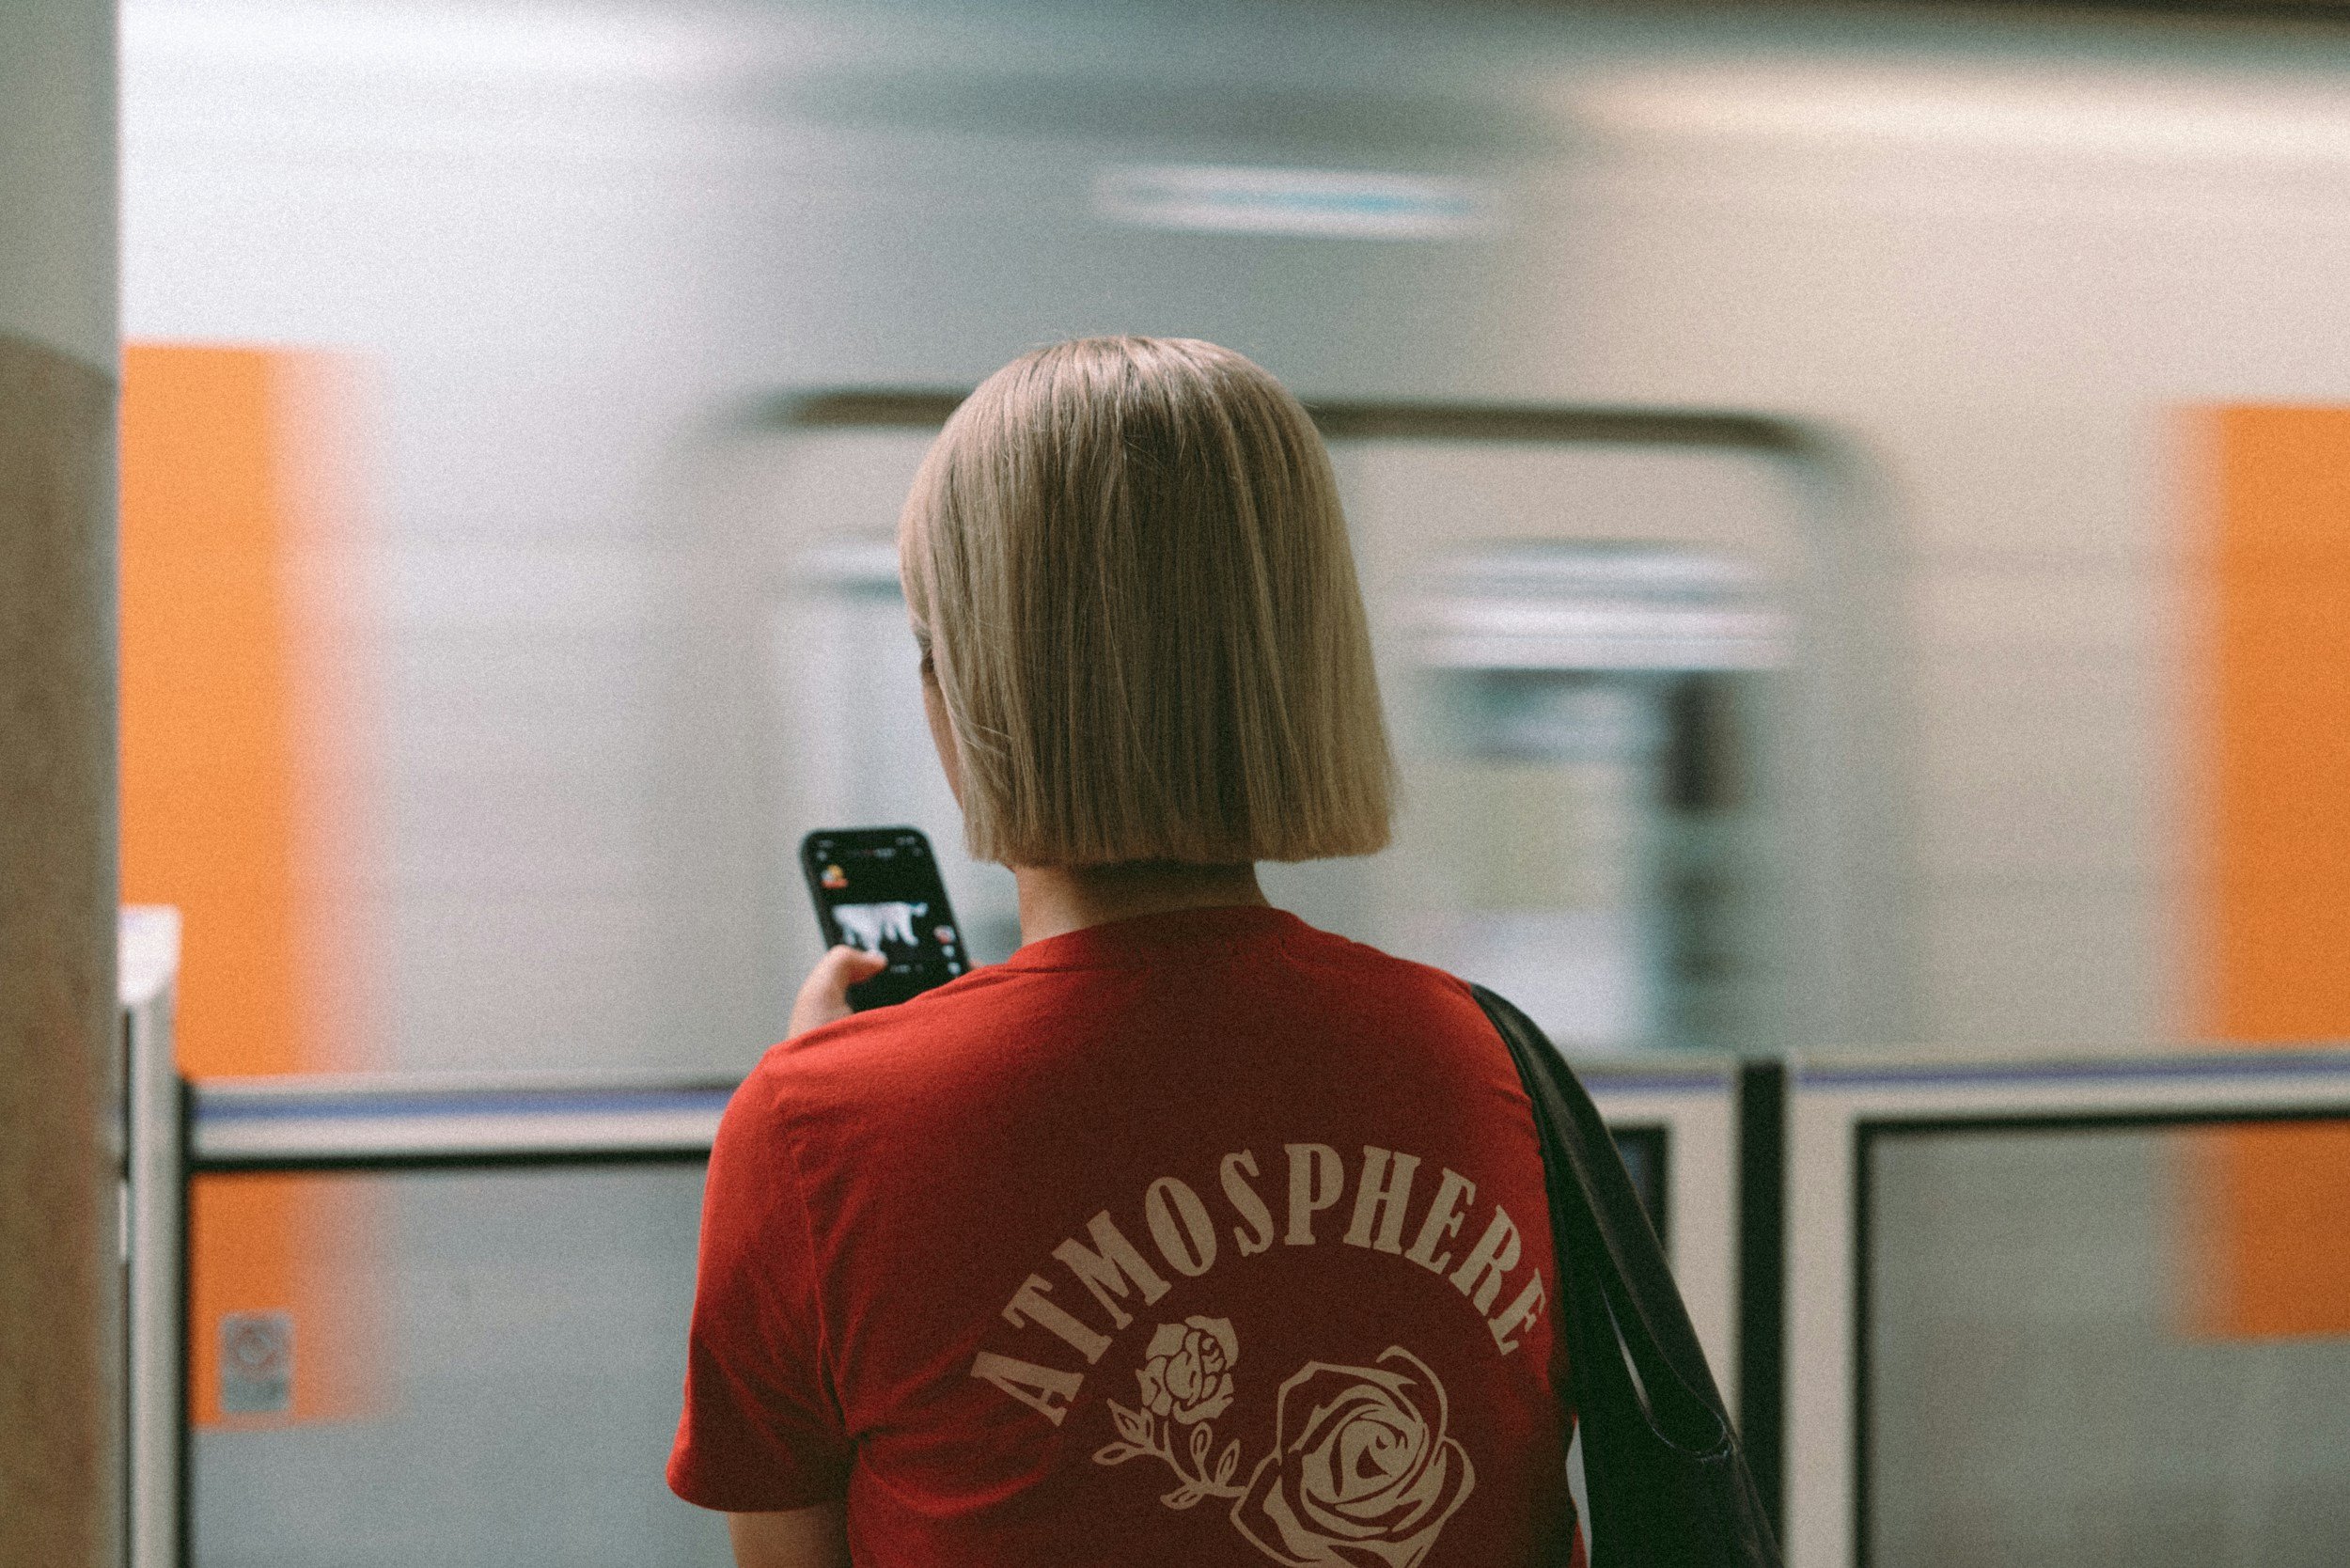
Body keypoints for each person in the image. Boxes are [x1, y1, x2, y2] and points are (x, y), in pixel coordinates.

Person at [667, 337, 1574, 1567]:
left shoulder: (817, 1130)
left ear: (965, 688)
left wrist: (832, 1122)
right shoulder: (1493, 1063)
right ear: (1302, 663)